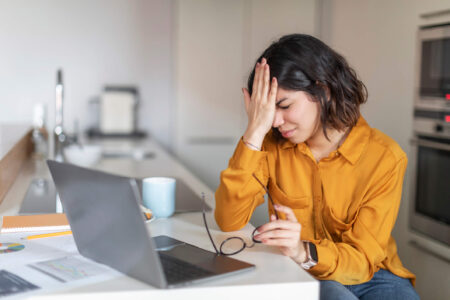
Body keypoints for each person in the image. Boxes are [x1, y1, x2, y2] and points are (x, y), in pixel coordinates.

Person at [214, 34, 419, 300]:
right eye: (266, 110)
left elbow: (364, 259)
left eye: (284, 105)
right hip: (302, 271)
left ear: (323, 90)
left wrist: (305, 250)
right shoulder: (268, 143)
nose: (274, 121)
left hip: (374, 273)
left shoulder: (385, 157)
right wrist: (253, 132)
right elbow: (228, 221)